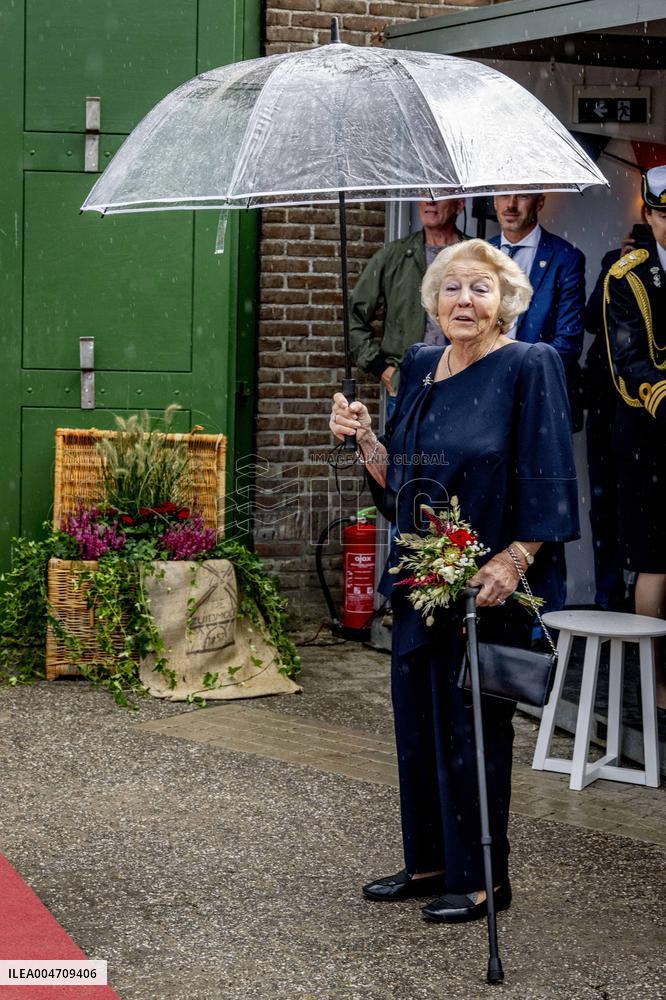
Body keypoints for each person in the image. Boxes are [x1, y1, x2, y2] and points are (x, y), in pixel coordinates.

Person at [329, 239, 579, 923]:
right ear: (432, 301)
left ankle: (481, 879)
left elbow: (551, 474)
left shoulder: (532, 364)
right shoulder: (417, 365)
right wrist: (362, 440)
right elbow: (401, 482)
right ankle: (430, 862)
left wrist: (515, 559)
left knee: (474, 730)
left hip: (487, 584)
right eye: (451, 289)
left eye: (480, 289)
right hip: (418, 576)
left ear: (506, 302)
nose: (464, 301)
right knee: (417, 723)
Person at [603, 165, 666, 708]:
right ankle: (652, 685)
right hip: (651, 436)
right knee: (655, 560)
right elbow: (628, 362)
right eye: (664, 214)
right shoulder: (626, 275)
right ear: (647, 214)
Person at [349, 199, 465, 399]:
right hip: (409, 384)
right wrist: (381, 368)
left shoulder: (476, 255)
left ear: (460, 204)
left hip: (463, 382)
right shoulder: (394, 256)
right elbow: (354, 317)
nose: (430, 200)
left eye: (439, 192)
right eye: (424, 192)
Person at [489, 193, 586, 431]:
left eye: (521, 195)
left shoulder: (566, 258)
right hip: (486, 395)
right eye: (503, 195)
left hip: (540, 398)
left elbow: (568, 342)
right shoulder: (477, 254)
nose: (510, 205)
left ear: (540, 202)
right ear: (494, 201)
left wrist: (519, 379)